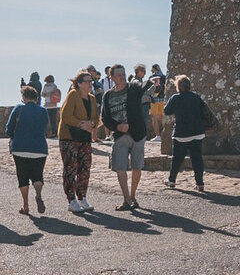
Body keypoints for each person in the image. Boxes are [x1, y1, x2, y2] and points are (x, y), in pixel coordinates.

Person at [100, 64, 148, 211]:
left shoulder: (133, 88)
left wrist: (153, 83)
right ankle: (126, 198)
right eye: (119, 75)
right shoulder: (108, 95)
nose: (122, 76)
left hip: (137, 133)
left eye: (123, 74)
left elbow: (142, 86)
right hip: (120, 135)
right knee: (120, 167)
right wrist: (117, 127)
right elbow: (105, 117)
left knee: (136, 167)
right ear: (112, 77)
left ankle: (133, 195)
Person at [58, 70, 99, 213]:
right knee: (71, 168)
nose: (90, 84)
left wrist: (92, 124)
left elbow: (96, 117)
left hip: (85, 138)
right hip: (70, 137)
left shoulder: (92, 99)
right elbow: (65, 115)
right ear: (79, 83)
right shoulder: (73, 94)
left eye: (91, 81)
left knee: (85, 168)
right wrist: (81, 124)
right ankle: (71, 200)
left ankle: (82, 197)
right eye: (87, 81)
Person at [6, 85, 49, 215]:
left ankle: (25, 205)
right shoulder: (43, 111)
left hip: (20, 148)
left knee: (22, 176)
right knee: (37, 175)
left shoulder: (19, 108)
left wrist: (15, 138)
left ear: (24, 97)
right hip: (39, 148)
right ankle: (38, 194)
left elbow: (8, 129)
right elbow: (46, 129)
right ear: (36, 98)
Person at [163, 75, 207, 192]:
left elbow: (166, 111)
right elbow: (203, 111)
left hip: (181, 133)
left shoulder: (175, 98)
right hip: (197, 132)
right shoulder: (196, 97)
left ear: (178, 86)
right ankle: (200, 183)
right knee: (197, 159)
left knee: (177, 159)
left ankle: (172, 180)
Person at [146, 72, 166, 141]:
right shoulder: (163, 77)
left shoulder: (153, 77)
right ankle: (165, 134)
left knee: (154, 118)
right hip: (162, 99)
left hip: (154, 100)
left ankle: (158, 136)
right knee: (162, 118)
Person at [41, 74, 62, 139]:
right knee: (53, 121)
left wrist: (47, 94)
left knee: (46, 120)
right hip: (54, 105)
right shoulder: (55, 86)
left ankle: (45, 133)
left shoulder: (46, 86)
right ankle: (54, 133)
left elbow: (43, 94)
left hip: (47, 105)